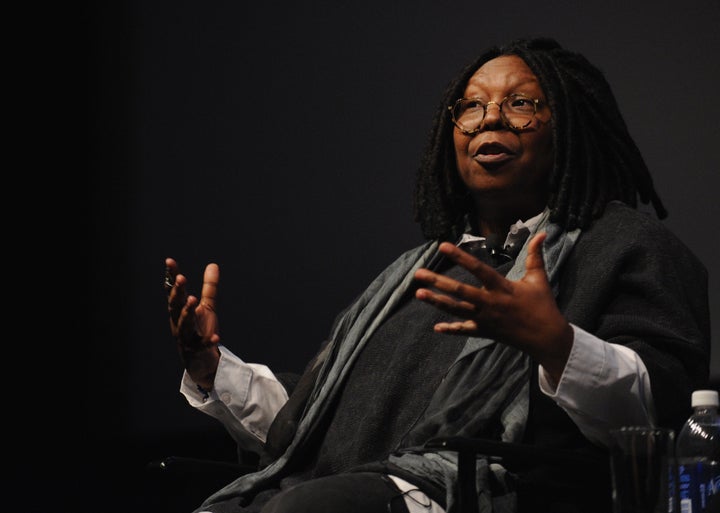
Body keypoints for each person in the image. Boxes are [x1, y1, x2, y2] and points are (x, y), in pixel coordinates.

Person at [163, 37, 710, 513]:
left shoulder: (628, 246)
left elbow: (657, 415)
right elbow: (312, 427)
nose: (489, 118)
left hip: (477, 493)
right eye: (470, 107)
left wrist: (558, 345)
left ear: (569, 127)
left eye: (520, 103)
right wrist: (214, 369)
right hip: (349, 490)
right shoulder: (416, 273)